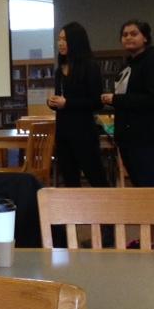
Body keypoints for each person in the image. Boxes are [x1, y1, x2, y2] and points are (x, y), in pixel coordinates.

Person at [101, 19, 154, 187]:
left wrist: (116, 99)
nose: (128, 38)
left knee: (149, 184)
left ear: (145, 37)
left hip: (146, 135)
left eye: (134, 33)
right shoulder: (128, 65)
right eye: (124, 35)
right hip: (128, 136)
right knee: (138, 184)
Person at [47, 22, 108, 187]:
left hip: (84, 132)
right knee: (70, 180)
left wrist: (67, 103)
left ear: (76, 41)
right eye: (59, 39)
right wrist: (52, 102)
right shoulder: (60, 70)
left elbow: (97, 102)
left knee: (97, 178)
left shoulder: (90, 67)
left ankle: (108, 211)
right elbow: (61, 98)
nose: (60, 43)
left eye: (65, 39)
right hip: (63, 132)